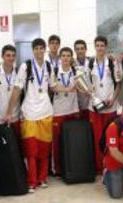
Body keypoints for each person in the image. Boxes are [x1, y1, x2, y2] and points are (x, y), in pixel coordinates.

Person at [5, 38, 54, 193]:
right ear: (33, 50)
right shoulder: (26, 66)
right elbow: (17, 89)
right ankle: (32, 181)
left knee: (44, 149)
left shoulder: (48, 66)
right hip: (30, 113)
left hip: (46, 112)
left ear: (45, 50)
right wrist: (9, 111)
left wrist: (70, 89)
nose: (39, 51)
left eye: (42, 48)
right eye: (37, 48)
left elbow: (53, 86)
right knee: (31, 151)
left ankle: (42, 178)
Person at [88, 36, 121, 174]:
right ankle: (99, 168)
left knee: (110, 138)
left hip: (110, 107)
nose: (100, 48)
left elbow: (119, 84)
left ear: (106, 47)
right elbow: (87, 86)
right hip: (95, 108)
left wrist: (113, 99)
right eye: (98, 45)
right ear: (95, 47)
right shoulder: (89, 64)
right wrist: (94, 98)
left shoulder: (113, 63)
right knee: (97, 138)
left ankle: (110, 166)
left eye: (102, 45)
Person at [51, 47, 80, 176]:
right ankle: (57, 169)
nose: (66, 58)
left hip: (73, 109)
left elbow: (82, 86)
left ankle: (72, 165)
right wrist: (68, 89)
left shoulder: (76, 71)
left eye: (68, 55)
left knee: (72, 141)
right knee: (57, 142)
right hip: (58, 111)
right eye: (63, 55)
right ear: (60, 57)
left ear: (71, 57)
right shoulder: (55, 70)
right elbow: (53, 87)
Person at [0, 45, 21, 135]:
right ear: (2, 56)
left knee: (14, 148)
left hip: (15, 118)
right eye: (8, 55)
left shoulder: (19, 73)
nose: (11, 58)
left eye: (13, 55)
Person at [74, 39, 90, 120]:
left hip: (90, 100)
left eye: (82, 48)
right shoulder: (71, 64)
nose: (80, 51)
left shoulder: (91, 62)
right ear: (75, 50)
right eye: (77, 49)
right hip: (77, 101)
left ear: (86, 49)